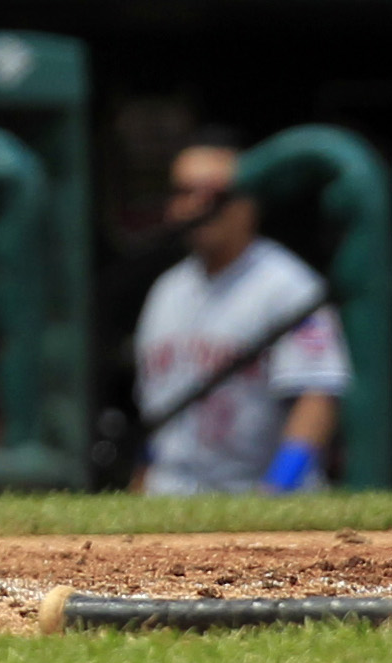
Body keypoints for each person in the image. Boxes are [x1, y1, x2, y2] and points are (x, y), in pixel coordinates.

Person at [135, 131, 349, 495]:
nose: (196, 207)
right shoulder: (166, 290)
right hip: (172, 492)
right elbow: (156, 411)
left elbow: (317, 397)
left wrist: (279, 488)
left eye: (213, 195)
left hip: (252, 489)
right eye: (184, 192)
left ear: (248, 203)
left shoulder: (287, 286)